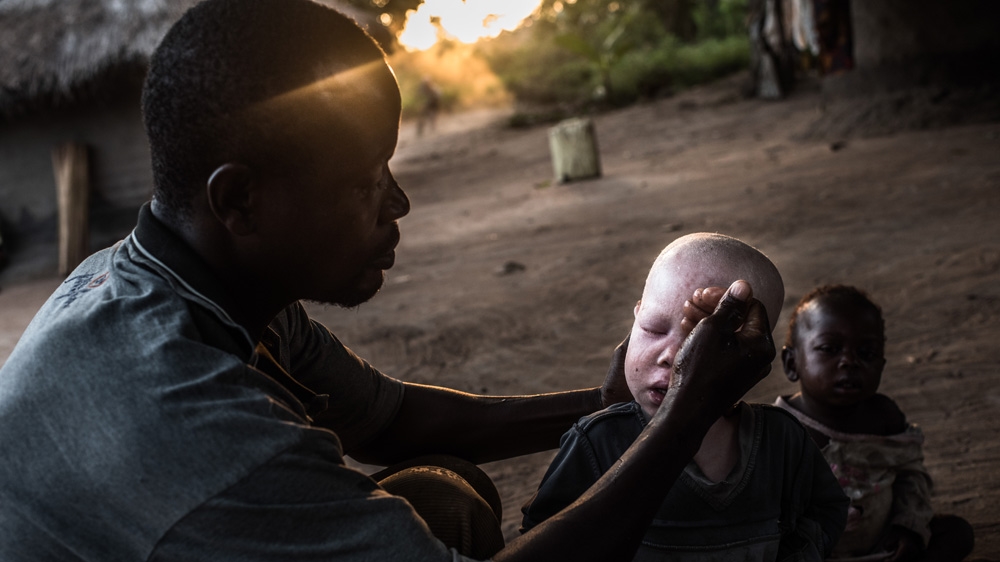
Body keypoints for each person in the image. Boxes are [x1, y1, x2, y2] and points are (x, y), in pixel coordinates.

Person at [0, 1, 778, 561]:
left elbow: (396, 421)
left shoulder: (194, 289)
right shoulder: (184, 422)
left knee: (444, 495)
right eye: (367, 177)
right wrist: (682, 422)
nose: (399, 201)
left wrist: (615, 404)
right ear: (239, 200)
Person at [520, 233, 849, 560]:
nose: (674, 357)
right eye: (653, 328)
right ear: (635, 319)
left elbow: (825, 511)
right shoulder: (598, 441)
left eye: (704, 343)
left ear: (757, 355)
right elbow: (541, 537)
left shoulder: (782, 440)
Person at [777, 285, 975, 561]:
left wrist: (907, 529)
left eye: (866, 353)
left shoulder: (885, 417)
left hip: (884, 546)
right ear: (791, 363)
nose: (849, 361)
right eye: (829, 349)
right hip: (817, 551)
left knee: (956, 533)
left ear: (881, 365)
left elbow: (910, 476)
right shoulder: (780, 429)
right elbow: (763, 507)